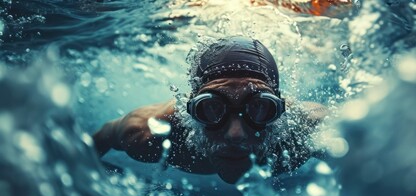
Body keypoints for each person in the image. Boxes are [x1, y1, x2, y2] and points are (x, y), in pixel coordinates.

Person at [92, 36, 327, 184]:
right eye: (212, 109)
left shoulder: (309, 130)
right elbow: (102, 136)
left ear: (279, 113)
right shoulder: (148, 132)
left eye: (260, 108)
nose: (236, 134)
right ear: (190, 112)